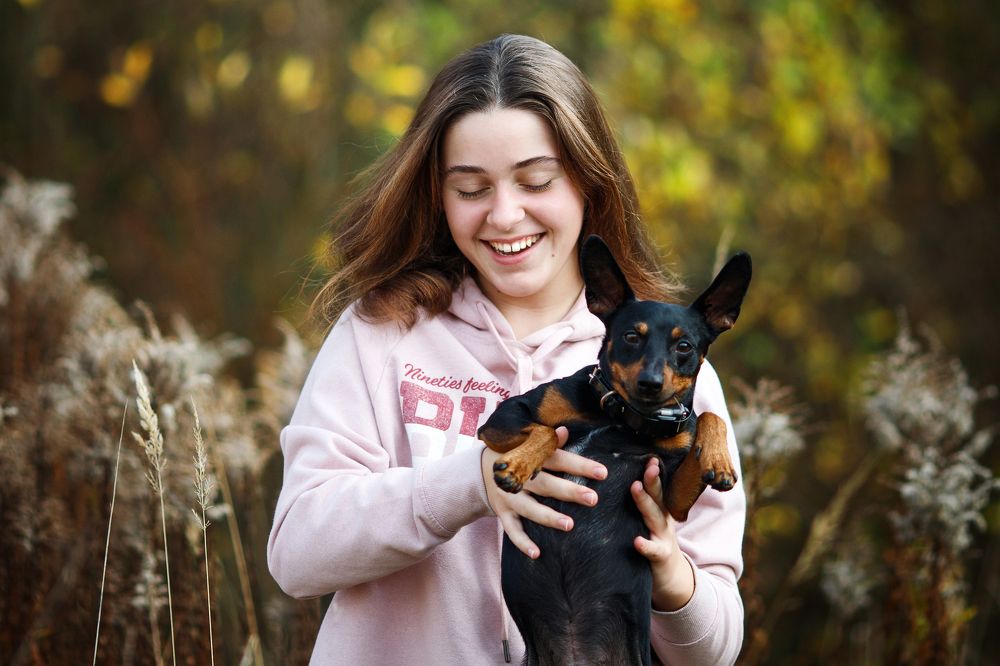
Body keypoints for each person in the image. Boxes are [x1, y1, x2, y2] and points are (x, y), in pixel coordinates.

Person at [267, 33, 745, 665]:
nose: (504, 215)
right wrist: (471, 482)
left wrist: (670, 573)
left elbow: (716, 649)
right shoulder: (382, 331)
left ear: (589, 181)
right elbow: (297, 555)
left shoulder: (666, 372)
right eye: (471, 189)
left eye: (536, 181)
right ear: (437, 195)